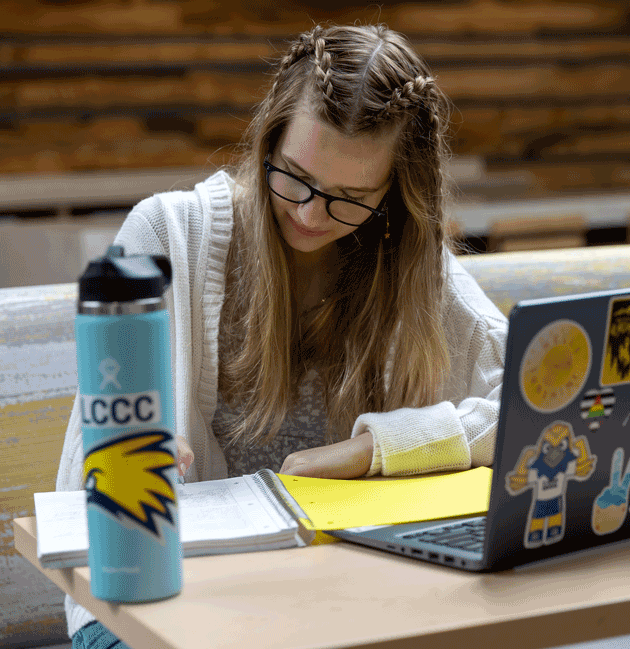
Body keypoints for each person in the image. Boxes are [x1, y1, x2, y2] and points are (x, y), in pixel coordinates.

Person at [57, 23, 507, 648]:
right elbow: (91, 465)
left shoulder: (408, 268)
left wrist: (374, 449)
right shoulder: (168, 236)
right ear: (268, 139)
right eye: (294, 176)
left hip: (330, 607)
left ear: (396, 197)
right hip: (154, 600)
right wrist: (141, 453)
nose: (309, 213)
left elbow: (533, 406)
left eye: (350, 198)